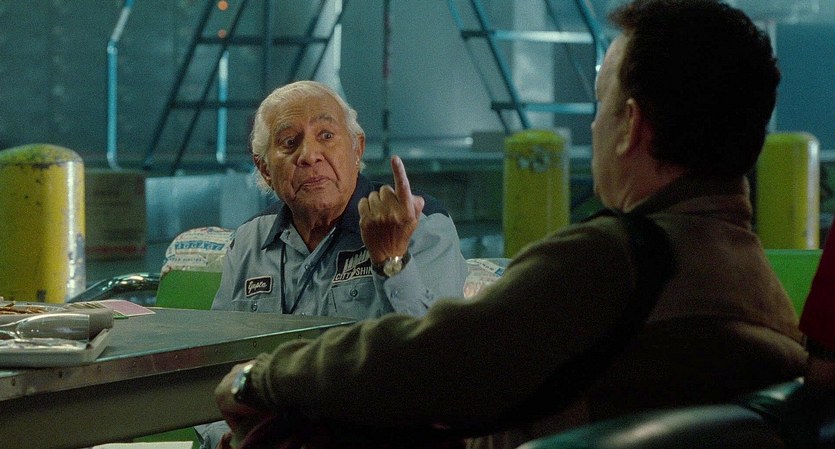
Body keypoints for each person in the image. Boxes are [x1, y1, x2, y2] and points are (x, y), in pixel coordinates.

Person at [212, 1, 806, 448]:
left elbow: (433, 361)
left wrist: (261, 380)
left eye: (600, 103)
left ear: (630, 125)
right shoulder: (761, 294)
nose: (593, 126)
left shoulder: (605, 262)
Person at [197, 80, 469, 449]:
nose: (309, 155)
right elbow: (217, 370)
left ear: (357, 149)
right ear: (264, 168)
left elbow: (431, 365)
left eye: (326, 135)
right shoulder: (249, 241)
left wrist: (390, 258)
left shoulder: (419, 223)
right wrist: (225, 440)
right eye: (289, 142)